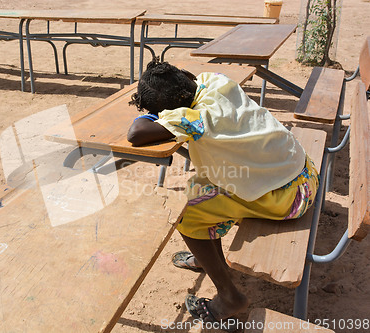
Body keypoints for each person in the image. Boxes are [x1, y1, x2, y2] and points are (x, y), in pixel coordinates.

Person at [127, 58, 319, 324]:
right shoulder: (212, 80)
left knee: (187, 213)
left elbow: (136, 133)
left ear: (173, 110)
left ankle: (230, 296)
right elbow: (189, 81)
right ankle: (207, 257)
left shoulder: (193, 118)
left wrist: (153, 115)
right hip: (304, 173)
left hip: (287, 198)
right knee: (203, 185)